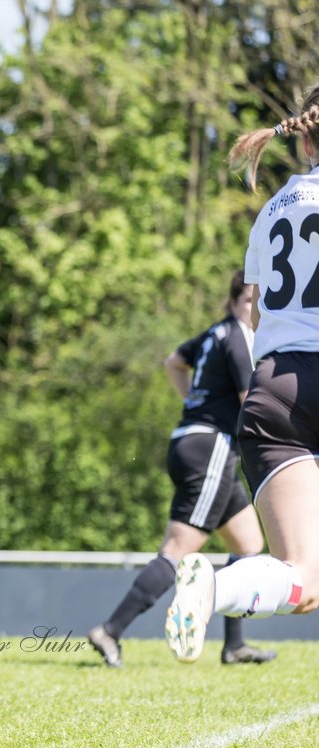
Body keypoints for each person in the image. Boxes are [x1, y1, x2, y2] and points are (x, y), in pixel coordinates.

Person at [166, 89, 319, 661]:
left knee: (304, 580)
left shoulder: (273, 208)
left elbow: (257, 309)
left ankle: (215, 585)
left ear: (304, 139)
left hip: (274, 389)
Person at [87, 273, 275, 666]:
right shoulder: (239, 335)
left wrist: (194, 401)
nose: (253, 308)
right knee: (176, 550)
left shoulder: (212, 334)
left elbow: (173, 362)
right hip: (211, 448)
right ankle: (110, 630)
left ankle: (234, 645)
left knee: (248, 547)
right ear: (236, 301)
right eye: (249, 300)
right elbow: (249, 401)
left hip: (192, 440)